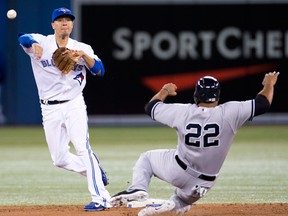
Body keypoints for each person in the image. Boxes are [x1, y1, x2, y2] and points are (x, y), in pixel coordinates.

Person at [110, 72, 280, 216]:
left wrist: (164, 91)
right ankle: (170, 206)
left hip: (177, 170)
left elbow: (151, 107)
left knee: (147, 159)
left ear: (195, 95)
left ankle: (138, 188)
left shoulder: (182, 111)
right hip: (204, 184)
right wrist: (269, 84)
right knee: (183, 202)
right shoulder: (231, 112)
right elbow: (263, 104)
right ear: (218, 95)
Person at [18, 8, 111, 211]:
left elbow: (100, 71)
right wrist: (33, 44)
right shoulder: (41, 42)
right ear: (53, 25)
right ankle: (93, 169)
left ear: (72, 24)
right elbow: (22, 38)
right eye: (60, 20)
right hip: (49, 108)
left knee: (82, 147)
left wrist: (84, 57)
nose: (64, 23)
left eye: (68, 20)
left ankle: (101, 198)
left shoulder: (81, 47)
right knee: (59, 158)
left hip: (74, 103)